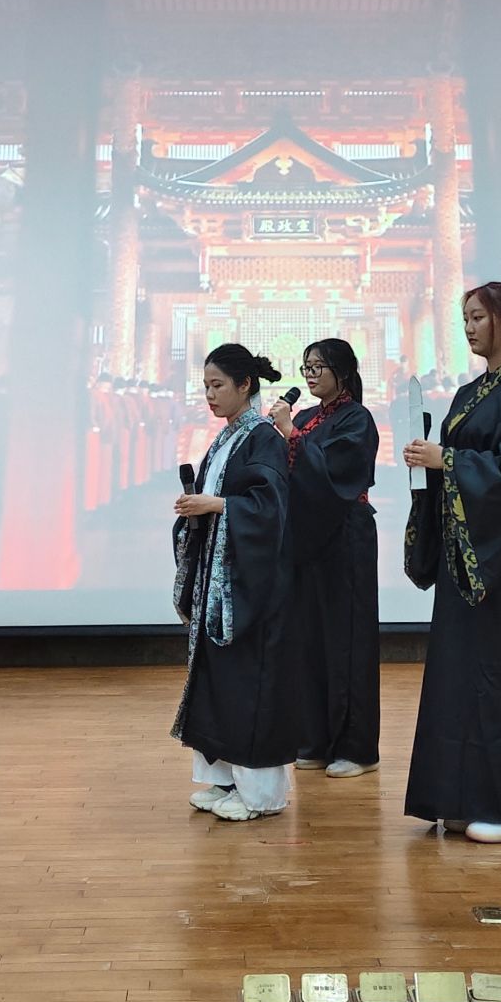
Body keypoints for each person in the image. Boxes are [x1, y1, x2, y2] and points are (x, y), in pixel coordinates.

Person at [401, 282, 501, 844]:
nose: (468, 328)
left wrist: (447, 459)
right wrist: (430, 464)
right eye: (464, 318)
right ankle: (462, 795)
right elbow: (459, 463)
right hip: (466, 558)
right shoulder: (472, 390)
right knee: (461, 678)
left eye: (478, 317)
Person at [172, 344, 300, 823]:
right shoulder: (227, 437)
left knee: (250, 680)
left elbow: (270, 509)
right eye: (205, 386)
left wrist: (218, 505)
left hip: (252, 587)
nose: (210, 395)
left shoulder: (262, 437)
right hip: (221, 579)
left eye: (218, 385)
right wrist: (198, 509)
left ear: (245, 385)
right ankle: (224, 778)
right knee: (219, 679)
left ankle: (260, 793)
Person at [268, 338, 380, 779]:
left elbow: (337, 474)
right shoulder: (306, 417)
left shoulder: (357, 419)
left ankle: (356, 748)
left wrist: (291, 436)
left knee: (347, 639)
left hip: (346, 536)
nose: (310, 374)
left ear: (343, 372)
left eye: (318, 367)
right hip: (308, 538)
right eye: (306, 367)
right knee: (309, 640)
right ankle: (313, 739)